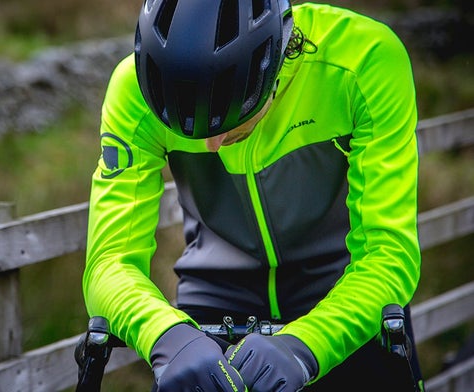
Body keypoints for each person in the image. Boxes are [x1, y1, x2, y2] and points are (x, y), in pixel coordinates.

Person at [82, 0, 424, 390]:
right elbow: (109, 263)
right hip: (214, 304)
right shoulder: (132, 89)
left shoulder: (365, 59)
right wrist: (168, 336)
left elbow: (388, 253)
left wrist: (304, 346)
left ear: (276, 63)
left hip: (348, 300)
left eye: (234, 117)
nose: (212, 145)